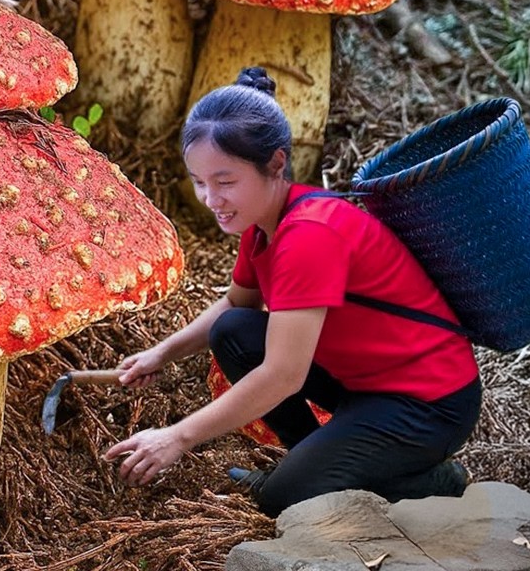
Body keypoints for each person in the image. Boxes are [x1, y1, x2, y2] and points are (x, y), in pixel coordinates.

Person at [104, 67, 481, 517]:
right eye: (199, 181)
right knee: (234, 331)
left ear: (277, 164)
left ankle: (426, 482)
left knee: (280, 499)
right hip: (362, 385)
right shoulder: (262, 224)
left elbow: (285, 376)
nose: (210, 199)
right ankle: (316, 461)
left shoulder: (309, 235)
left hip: (426, 402)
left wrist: (177, 436)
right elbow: (235, 306)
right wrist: (160, 355)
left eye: (225, 182)